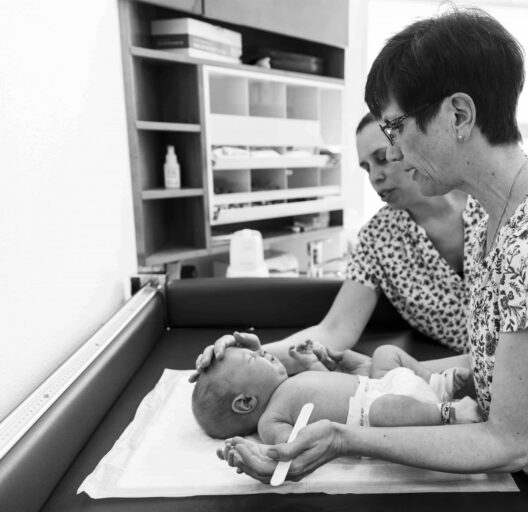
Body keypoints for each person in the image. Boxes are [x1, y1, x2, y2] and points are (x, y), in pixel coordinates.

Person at [216, 8, 528, 511]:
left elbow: (510, 441)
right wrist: (383, 376)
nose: (393, 154)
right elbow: (504, 367)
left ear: (458, 115)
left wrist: (343, 438)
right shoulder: (498, 221)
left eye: (395, 129)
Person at [190, 112, 487, 381]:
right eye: (366, 168)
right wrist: (252, 356)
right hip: (464, 379)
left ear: (411, 146)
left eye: (383, 158)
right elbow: (335, 330)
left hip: (503, 366)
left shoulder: (489, 202)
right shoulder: (378, 238)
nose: (374, 177)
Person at [191, 340, 480, 441]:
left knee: (385, 353)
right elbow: (295, 444)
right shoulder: (271, 420)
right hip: (378, 413)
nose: (263, 351)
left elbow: (326, 386)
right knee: (383, 411)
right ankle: (446, 412)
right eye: (253, 358)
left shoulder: (292, 381)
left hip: (380, 384)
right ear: (245, 402)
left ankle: (434, 384)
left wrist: (314, 363)